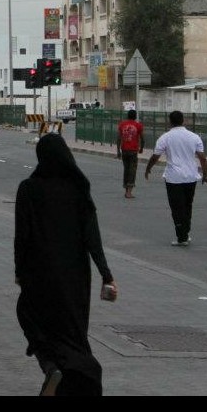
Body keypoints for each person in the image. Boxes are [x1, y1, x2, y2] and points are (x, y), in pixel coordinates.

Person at [14, 133, 118, 396]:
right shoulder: (78, 188)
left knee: (31, 317)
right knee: (72, 331)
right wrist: (106, 275)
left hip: (38, 272)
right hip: (74, 275)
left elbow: (21, 236)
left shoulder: (28, 188)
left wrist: (19, 272)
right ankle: (81, 378)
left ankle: (51, 367)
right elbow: (92, 237)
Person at [144, 110, 207, 246]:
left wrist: (148, 168)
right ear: (183, 120)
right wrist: (205, 175)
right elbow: (202, 158)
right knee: (187, 205)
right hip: (191, 177)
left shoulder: (165, 137)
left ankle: (182, 237)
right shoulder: (194, 137)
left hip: (173, 178)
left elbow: (155, 156)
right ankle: (185, 233)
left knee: (176, 208)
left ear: (170, 121)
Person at [116, 108, 145, 199]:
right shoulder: (138, 125)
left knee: (126, 169)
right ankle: (129, 192)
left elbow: (118, 138)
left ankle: (126, 190)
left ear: (127, 116)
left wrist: (118, 151)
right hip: (133, 151)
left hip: (124, 150)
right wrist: (141, 148)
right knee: (132, 171)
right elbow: (142, 139)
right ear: (135, 117)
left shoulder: (122, 124)